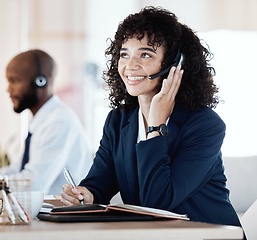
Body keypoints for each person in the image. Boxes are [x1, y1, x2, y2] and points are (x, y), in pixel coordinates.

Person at [61, 6, 242, 228]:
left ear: (174, 65)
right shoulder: (118, 121)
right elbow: (99, 183)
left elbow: (158, 203)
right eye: (124, 54)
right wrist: (86, 194)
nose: (130, 66)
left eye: (145, 54)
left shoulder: (205, 125)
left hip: (205, 236)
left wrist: (155, 127)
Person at [0, 49, 92, 195]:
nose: (8, 89)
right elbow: (17, 170)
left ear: (40, 82)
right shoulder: (43, 120)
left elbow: (33, 184)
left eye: (14, 81)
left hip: (65, 214)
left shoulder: (59, 122)